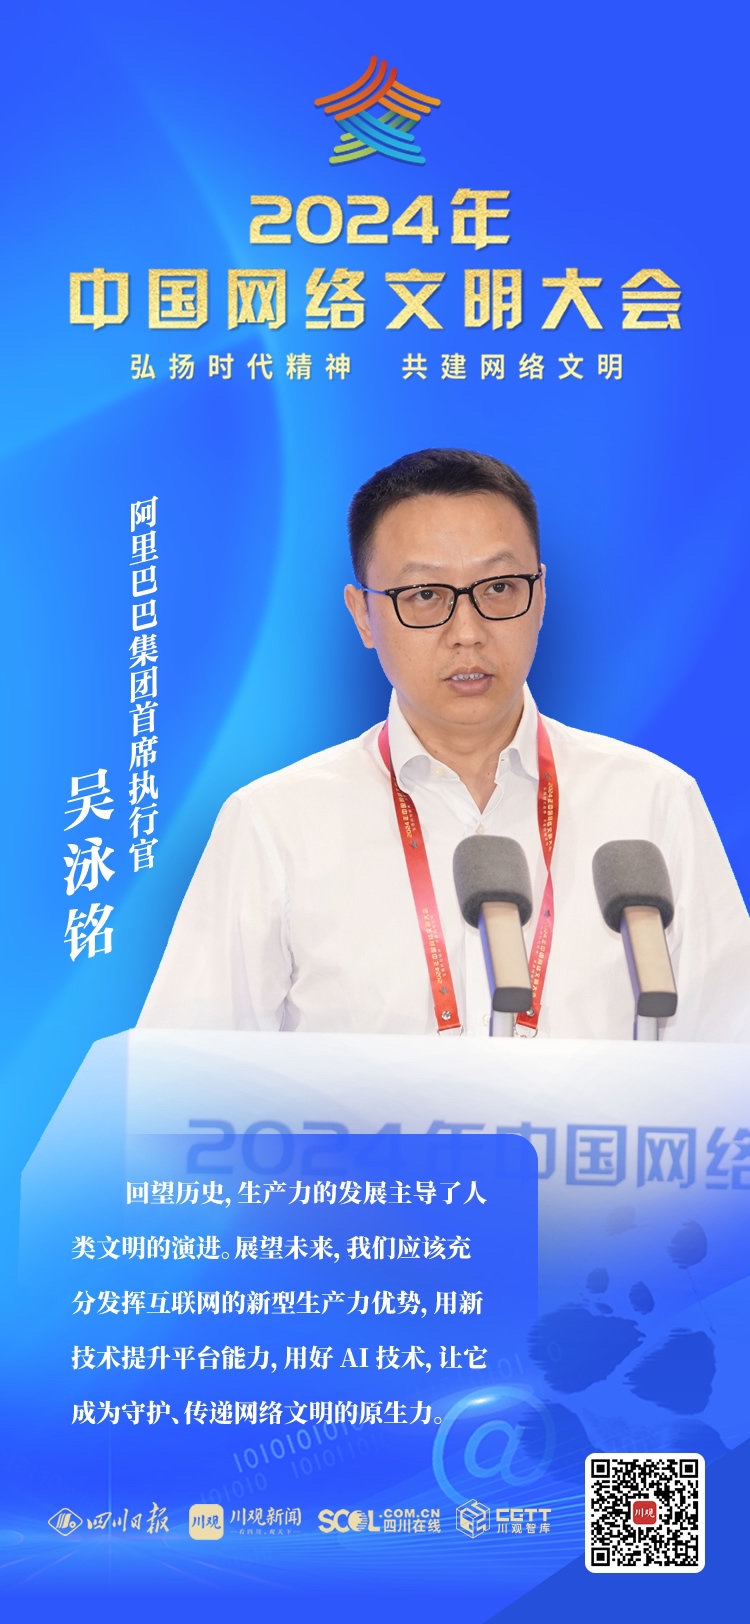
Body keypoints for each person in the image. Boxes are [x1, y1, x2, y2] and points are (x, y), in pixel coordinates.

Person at [139, 448, 750, 1040]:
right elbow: (184, 1077)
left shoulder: (652, 802)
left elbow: (730, 1057)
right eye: (425, 595)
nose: (468, 632)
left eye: (500, 587)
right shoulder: (274, 824)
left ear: (541, 595)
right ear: (362, 614)